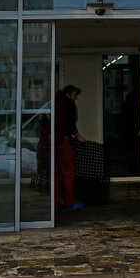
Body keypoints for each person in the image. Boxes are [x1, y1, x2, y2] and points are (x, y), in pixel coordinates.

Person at [54, 84, 85, 212]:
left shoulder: (55, 102)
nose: (76, 98)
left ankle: (54, 203)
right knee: (68, 172)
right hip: (63, 142)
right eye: (75, 95)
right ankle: (69, 202)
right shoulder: (69, 104)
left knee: (55, 174)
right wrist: (78, 136)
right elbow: (70, 123)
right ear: (69, 93)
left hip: (51, 142)